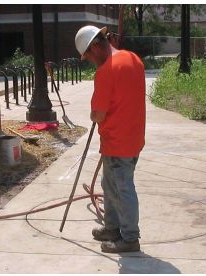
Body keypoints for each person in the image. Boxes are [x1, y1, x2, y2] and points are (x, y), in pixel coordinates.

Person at [74, 25, 146, 253]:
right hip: (133, 137)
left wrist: (93, 114)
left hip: (117, 141)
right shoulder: (133, 59)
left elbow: (99, 114)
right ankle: (112, 228)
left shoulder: (106, 71)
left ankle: (130, 238)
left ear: (95, 46)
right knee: (109, 185)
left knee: (122, 189)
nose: (89, 61)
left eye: (88, 56)